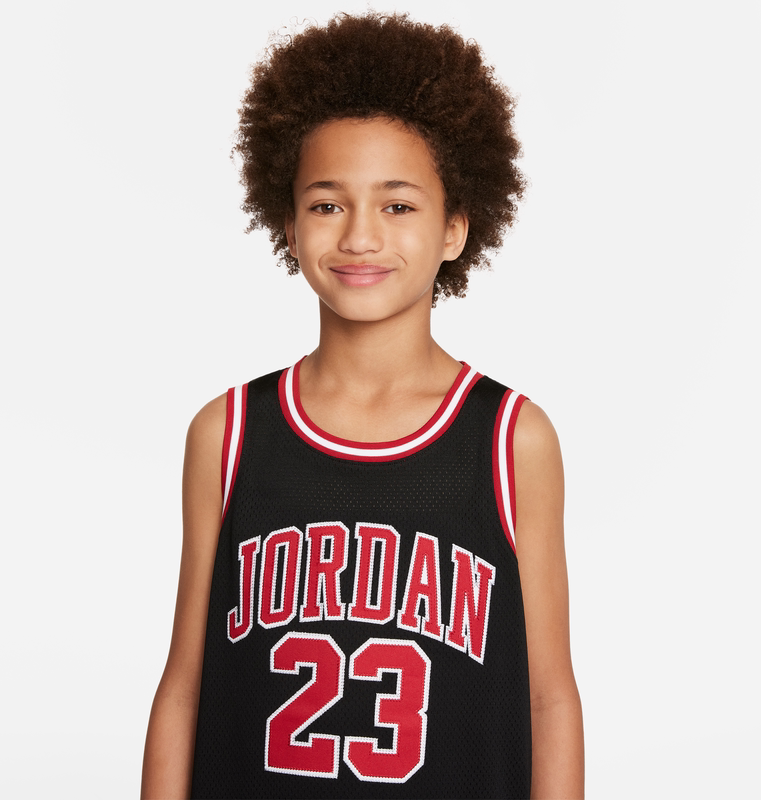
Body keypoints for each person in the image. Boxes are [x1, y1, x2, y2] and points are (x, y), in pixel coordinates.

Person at [142, 11, 583, 799]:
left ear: (455, 228)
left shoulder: (510, 439)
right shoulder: (229, 433)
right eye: (327, 204)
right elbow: (185, 687)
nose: (359, 237)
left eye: (398, 206)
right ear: (287, 223)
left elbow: (549, 698)